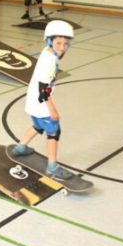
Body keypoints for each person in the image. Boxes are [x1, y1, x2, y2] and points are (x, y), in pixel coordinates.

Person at [10, 19, 75, 179]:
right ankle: (52, 167)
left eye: (65, 44)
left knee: (38, 125)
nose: (62, 47)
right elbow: (44, 90)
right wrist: (52, 110)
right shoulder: (50, 63)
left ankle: (20, 148)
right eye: (59, 43)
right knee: (53, 130)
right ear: (50, 41)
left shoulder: (47, 51)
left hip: (32, 101)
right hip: (41, 102)